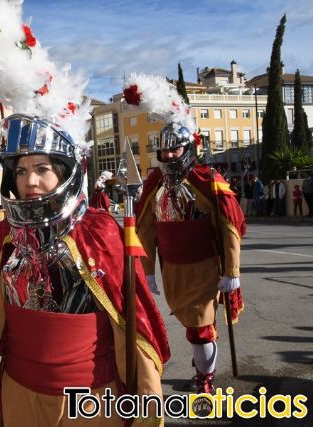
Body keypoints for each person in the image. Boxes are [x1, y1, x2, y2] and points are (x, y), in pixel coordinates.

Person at [0, 114, 169, 427]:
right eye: (21, 170)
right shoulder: (5, 238)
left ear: (65, 171)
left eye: (42, 168)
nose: (29, 181)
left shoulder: (98, 232)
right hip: (22, 400)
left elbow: (131, 327)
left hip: (92, 402)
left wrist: (147, 408)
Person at [125, 74, 246, 394]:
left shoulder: (208, 180)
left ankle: (205, 377)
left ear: (188, 149)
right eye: (163, 153)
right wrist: (147, 270)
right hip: (173, 270)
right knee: (190, 323)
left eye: (174, 152)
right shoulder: (154, 185)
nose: (168, 158)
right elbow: (146, 230)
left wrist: (232, 271)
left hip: (204, 267)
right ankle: (202, 363)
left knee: (200, 327)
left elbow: (229, 226)